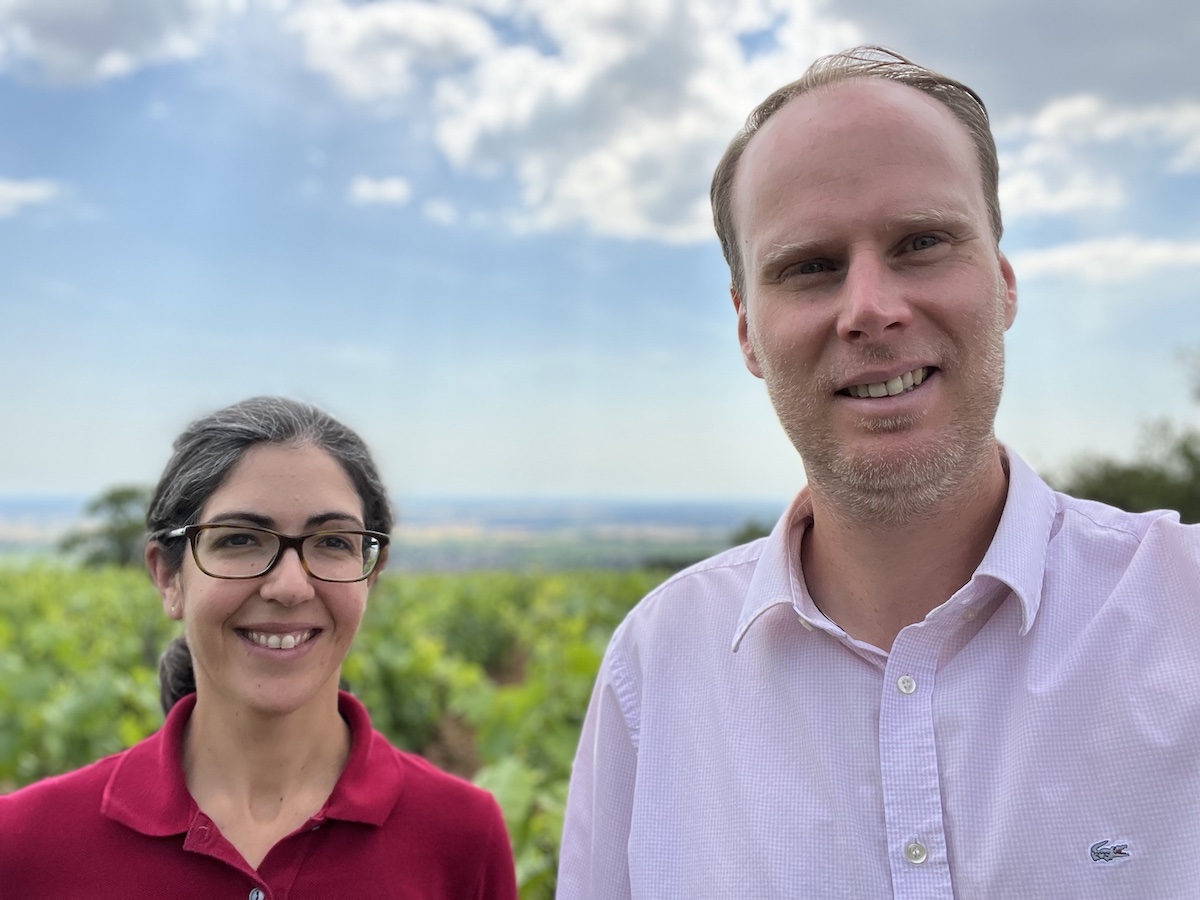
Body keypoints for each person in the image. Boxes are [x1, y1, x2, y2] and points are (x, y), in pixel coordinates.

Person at [558, 46, 1200, 898]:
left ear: (1003, 284)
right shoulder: (657, 667)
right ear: (748, 331)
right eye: (810, 266)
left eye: (923, 242)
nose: (870, 308)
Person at [0, 397, 518, 899]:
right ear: (168, 578)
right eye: (241, 539)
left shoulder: (462, 837)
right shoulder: (23, 846)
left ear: (371, 576)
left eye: (333, 542)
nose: (290, 586)